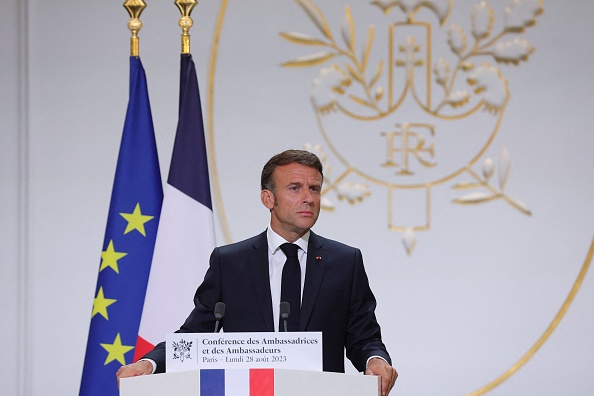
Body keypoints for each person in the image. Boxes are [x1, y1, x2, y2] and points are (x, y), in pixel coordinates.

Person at [117, 149, 398, 395]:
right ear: (268, 198)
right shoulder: (230, 263)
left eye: (314, 189)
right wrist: (149, 363)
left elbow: (364, 337)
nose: (308, 198)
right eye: (295, 188)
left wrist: (376, 360)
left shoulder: (345, 261)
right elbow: (195, 334)